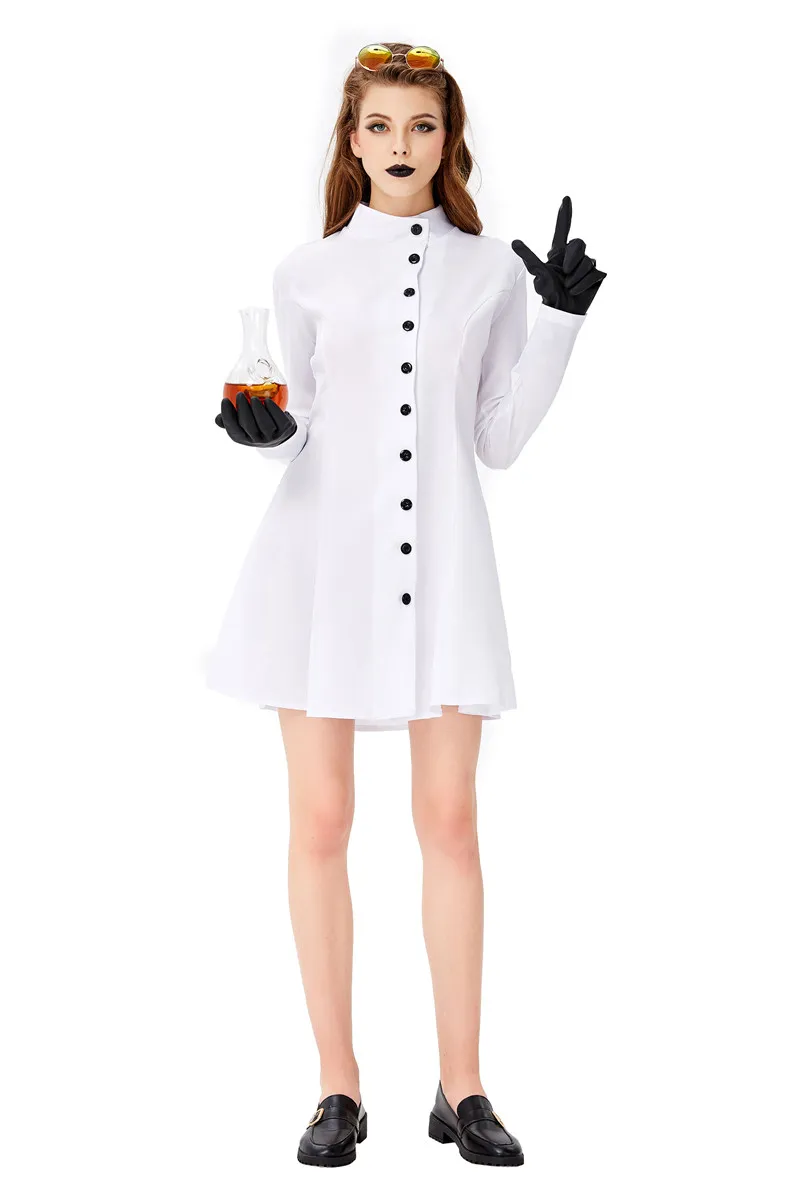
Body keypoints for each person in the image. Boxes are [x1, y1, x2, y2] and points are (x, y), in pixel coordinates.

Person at [207, 41, 605, 1168]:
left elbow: (497, 441)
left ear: (447, 140)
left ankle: (461, 1087)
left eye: (420, 126)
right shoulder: (306, 270)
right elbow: (297, 422)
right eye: (379, 125)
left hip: (446, 570)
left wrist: (559, 322)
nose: (399, 145)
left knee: (450, 823)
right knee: (320, 822)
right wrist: (263, 435)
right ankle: (337, 1086)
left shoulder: (489, 274)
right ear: (351, 140)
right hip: (317, 572)